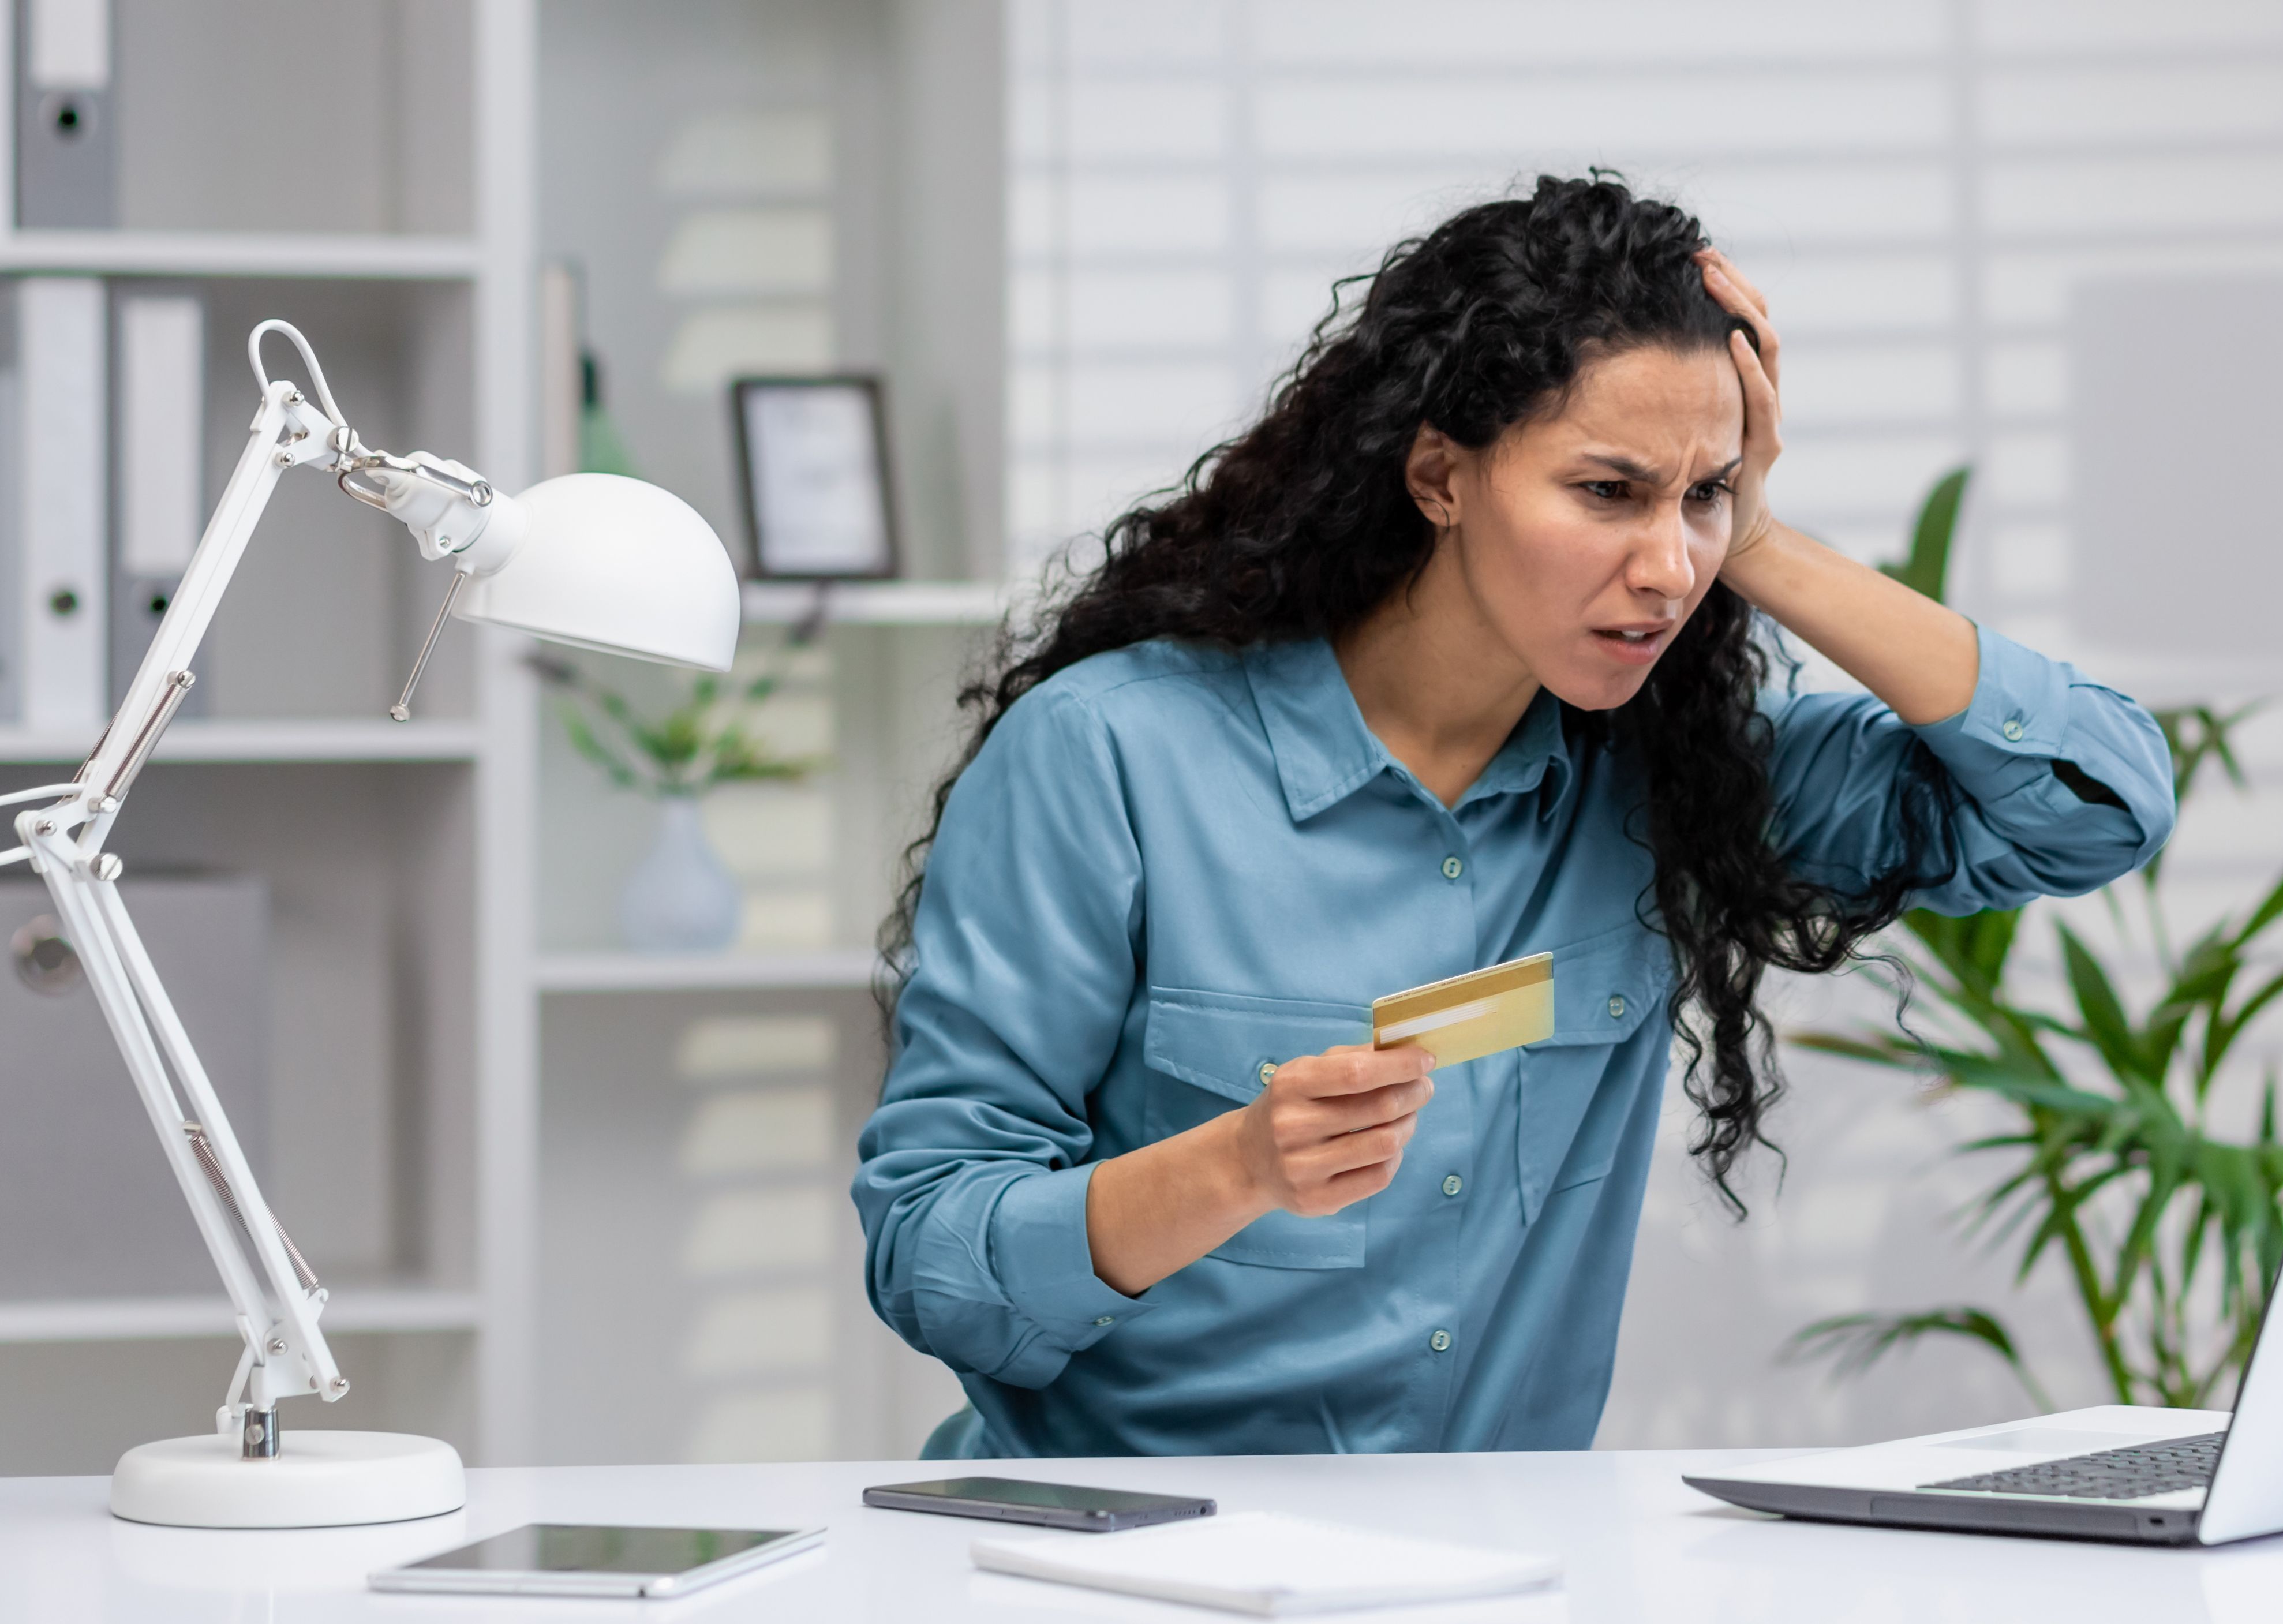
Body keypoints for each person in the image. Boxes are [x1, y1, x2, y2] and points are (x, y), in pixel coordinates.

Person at [854, 175, 2174, 1458]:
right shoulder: (1108, 757)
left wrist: (1760, 545)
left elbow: (2093, 806)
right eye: (1608, 492)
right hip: (1127, 1563)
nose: (1668, 569)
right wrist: (1239, 1170)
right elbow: (933, 1257)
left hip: (1509, 1572)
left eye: (1703, 497)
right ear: (1440, 475)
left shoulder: (1674, 773)